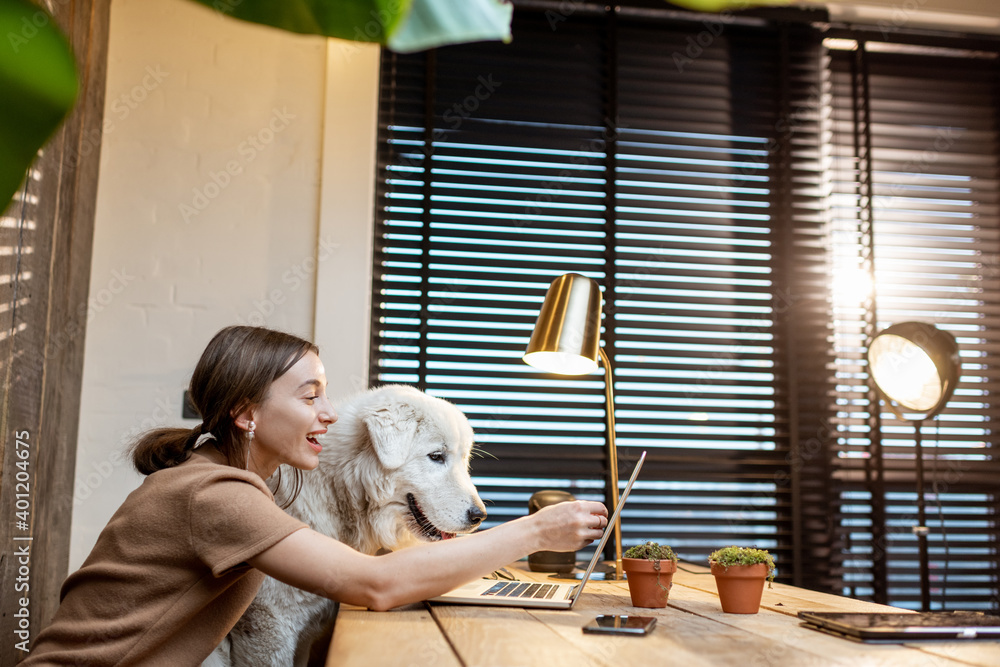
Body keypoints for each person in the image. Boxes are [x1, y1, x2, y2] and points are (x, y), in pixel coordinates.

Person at [23, 325, 607, 665]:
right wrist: (533, 532)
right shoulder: (216, 495)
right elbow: (373, 585)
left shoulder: (249, 481)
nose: (330, 414)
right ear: (247, 412)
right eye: (310, 397)